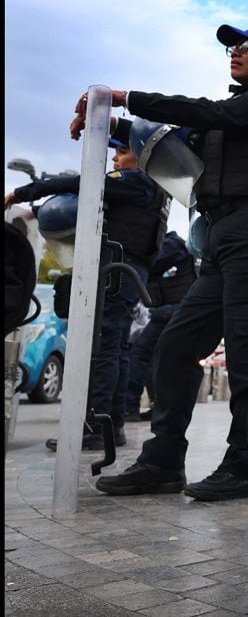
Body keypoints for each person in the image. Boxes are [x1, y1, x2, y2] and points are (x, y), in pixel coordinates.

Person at [79, 23, 248, 501]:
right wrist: (110, 125)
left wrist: (127, 96)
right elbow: (170, 142)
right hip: (220, 237)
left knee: (247, 349)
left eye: (245, 46)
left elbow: (209, 112)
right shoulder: (228, 116)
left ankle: (245, 465)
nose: (234, 54)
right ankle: (162, 461)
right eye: (230, 48)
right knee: (175, 346)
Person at [5, 138, 169, 450]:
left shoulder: (137, 181)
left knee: (103, 347)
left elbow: (83, 183)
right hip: (128, 269)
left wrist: (22, 194)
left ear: (142, 156)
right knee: (116, 349)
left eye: (122, 153)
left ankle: (95, 426)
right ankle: (111, 426)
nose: (115, 160)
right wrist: (38, 211)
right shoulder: (151, 188)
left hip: (116, 269)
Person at [123, 231, 196, 421]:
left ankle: (130, 406)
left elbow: (152, 262)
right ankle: (158, 407)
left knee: (140, 355)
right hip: (170, 311)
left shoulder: (172, 245)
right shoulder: (176, 246)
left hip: (170, 311)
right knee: (156, 359)